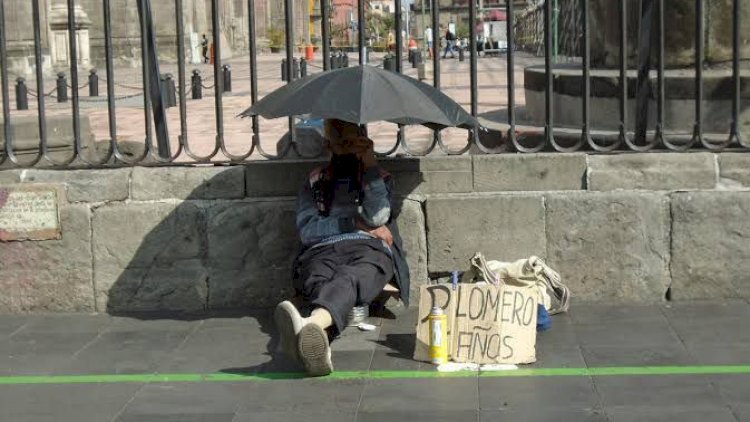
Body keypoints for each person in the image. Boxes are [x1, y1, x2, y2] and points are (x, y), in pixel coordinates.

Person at [274, 119, 410, 377]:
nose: (348, 148)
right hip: (322, 250)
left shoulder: (380, 178)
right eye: (342, 142)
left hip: (368, 249)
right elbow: (308, 231)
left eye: (353, 141)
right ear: (328, 145)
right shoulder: (315, 180)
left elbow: (378, 217)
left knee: (350, 277)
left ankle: (313, 324)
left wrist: (369, 164)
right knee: (318, 280)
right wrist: (353, 223)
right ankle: (317, 337)